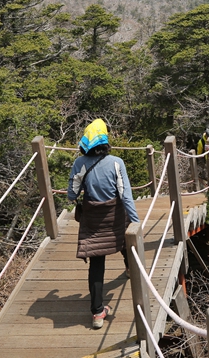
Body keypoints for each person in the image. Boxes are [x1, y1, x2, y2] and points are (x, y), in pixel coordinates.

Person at [67, 119, 140, 329]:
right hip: (115, 217)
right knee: (124, 242)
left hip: (93, 220)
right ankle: (130, 268)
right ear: (106, 140)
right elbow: (125, 195)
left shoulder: (79, 164)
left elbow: (72, 194)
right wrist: (136, 221)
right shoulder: (117, 162)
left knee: (97, 264)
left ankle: (97, 313)